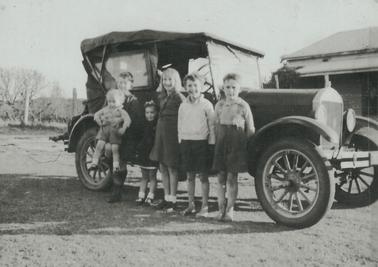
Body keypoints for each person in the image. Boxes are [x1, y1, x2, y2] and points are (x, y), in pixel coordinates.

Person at [213, 73, 255, 221]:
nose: (230, 91)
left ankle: (230, 209)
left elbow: (250, 129)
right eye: (227, 87)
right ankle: (220, 208)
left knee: (232, 177)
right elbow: (215, 125)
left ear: (239, 89)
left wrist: (246, 144)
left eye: (233, 87)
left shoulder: (243, 106)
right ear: (223, 88)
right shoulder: (219, 105)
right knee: (220, 177)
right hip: (221, 143)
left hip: (236, 145)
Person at [178, 72, 215, 218]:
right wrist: (180, 140)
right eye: (189, 85)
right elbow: (179, 125)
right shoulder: (183, 105)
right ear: (186, 87)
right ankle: (191, 205)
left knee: (203, 176)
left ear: (201, 87)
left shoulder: (207, 105)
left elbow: (212, 125)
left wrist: (211, 142)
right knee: (190, 176)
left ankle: (205, 206)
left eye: (195, 85)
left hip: (202, 143)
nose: (192, 88)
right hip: (186, 143)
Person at [150, 68, 185, 212]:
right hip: (161, 134)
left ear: (176, 81)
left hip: (172, 136)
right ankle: (166, 198)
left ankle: (173, 200)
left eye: (170, 79)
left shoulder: (179, 97)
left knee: (172, 167)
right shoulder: (162, 97)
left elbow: (183, 117)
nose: (167, 82)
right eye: (164, 79)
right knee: (162, 167)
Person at [106, 72, 144, 203]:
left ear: (131, 85)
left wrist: (121, 122)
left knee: (121, 160)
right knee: (109, 152)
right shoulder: (114, 97)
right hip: (114, 134)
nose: (122, 85)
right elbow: (106, 112)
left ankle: (117, 189)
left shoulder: (133, 101)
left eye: (125, 83)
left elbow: (135, 120)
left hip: (129, 136)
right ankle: (115, 182)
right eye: (120, 82)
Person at [90, 89, 131, 173]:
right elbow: (96, 115)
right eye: (109, 101)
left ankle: (116, 166)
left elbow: (128, 119)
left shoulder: (120, 111)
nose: (111, 104)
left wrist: (123, 128)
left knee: (114, 149)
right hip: (104, 131)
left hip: (114, 133)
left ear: (120, 102)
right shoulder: (105, 109)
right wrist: (99, 121)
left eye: (113, 102)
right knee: (99, 145)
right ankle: (94, 162)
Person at [135, 100, 159, 205]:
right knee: (144, 176)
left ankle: (151, 195)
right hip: (143, 154)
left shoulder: (157, 125)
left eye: (152, 112)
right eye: (147, 113)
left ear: (156, 113)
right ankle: (141, 195)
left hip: (152, 154)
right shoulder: (143, 124)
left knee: (152, 176)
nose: (149, 115)